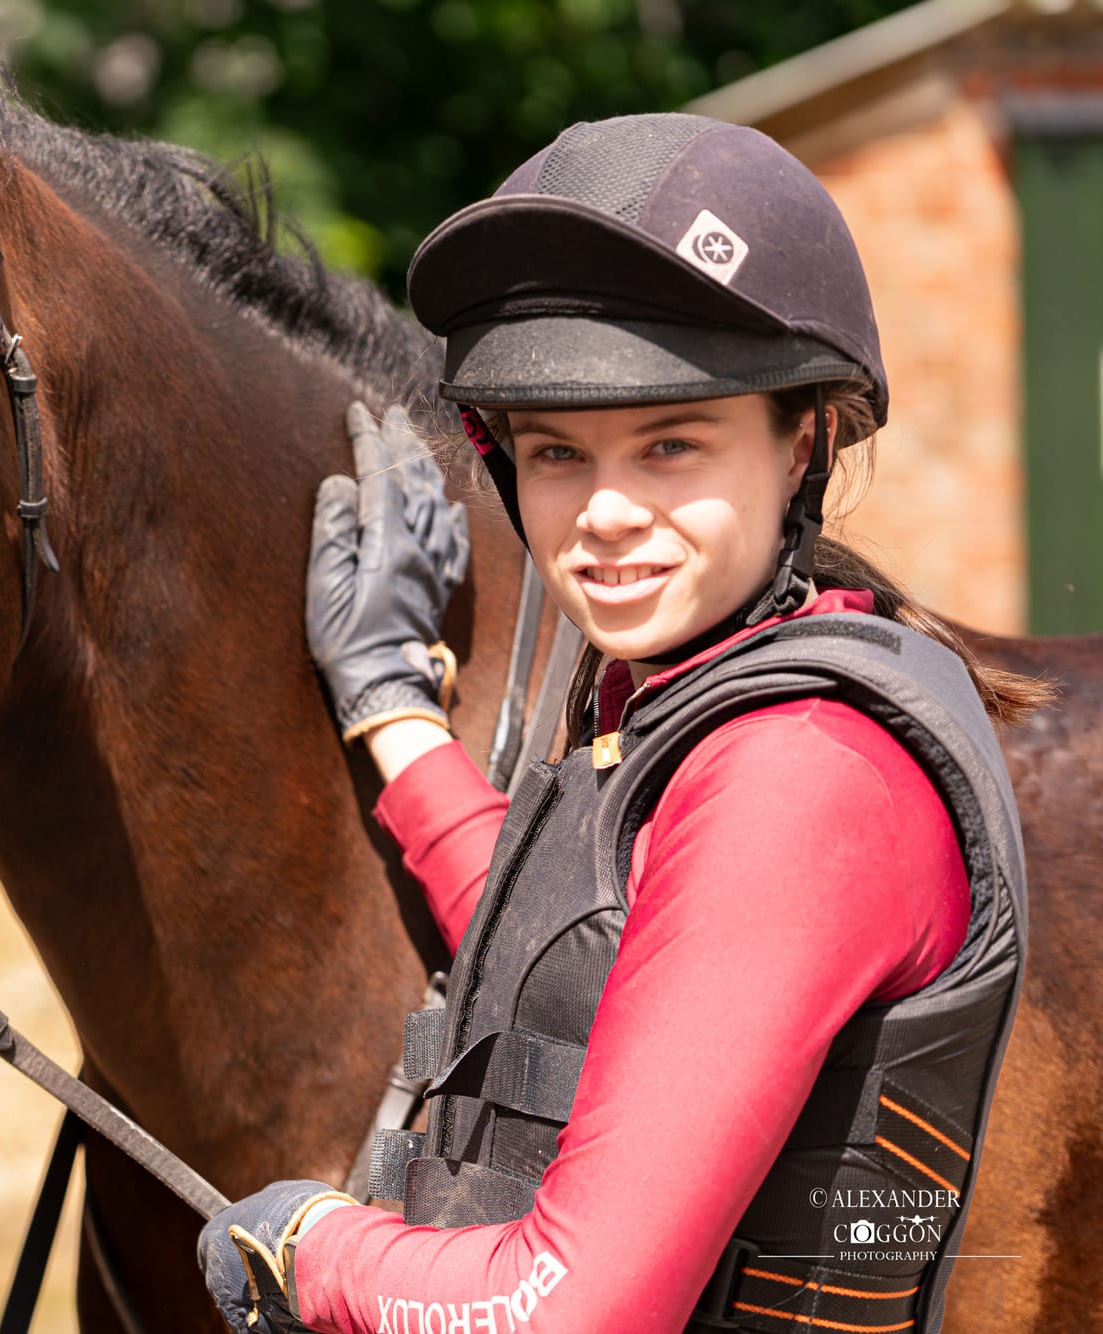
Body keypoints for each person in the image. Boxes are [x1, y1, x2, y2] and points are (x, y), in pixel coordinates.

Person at [197, 113, 1042, 1334]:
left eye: (668, 445)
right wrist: (389, 702)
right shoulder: (706, 709)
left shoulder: (798, 776)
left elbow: (568, 1308)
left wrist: (313, 1244)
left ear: (798, 440)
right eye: (554, 453)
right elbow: (579, 938)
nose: (601, 514)